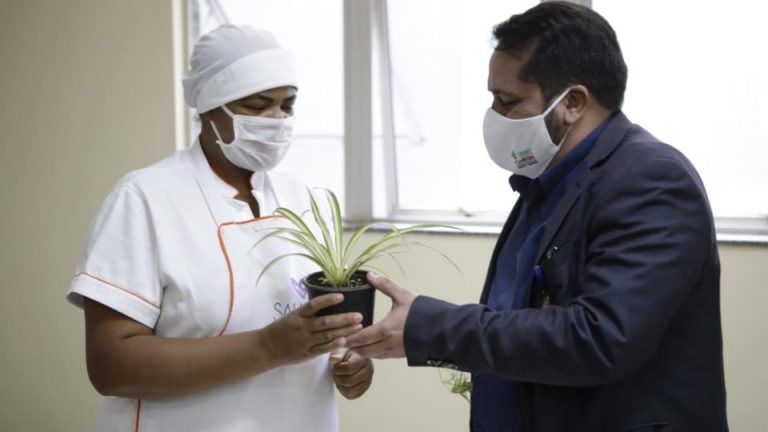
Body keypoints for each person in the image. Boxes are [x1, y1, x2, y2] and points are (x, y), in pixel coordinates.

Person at [347, 2, 728, 431]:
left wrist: (434, 327)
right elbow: (517, 319)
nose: (494, 116)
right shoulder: (544, 182)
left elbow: (599, 338)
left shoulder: (651, 180)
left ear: (573, 103)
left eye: (508, 101)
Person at [67, 24, 373, 432]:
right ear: (210, 108)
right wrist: (269, 346)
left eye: (287, 105)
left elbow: (321, 337)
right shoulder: (145, 199)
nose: (276, 120)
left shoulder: (304, 200)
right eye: (257, 106)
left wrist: (352, 364)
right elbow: (111, 366)